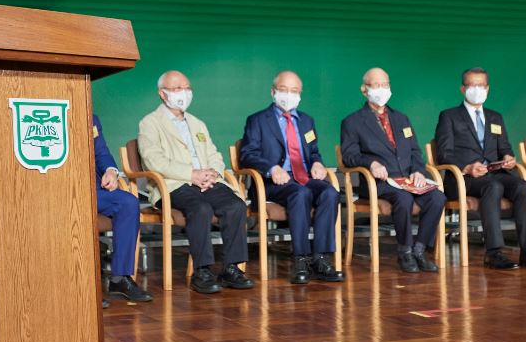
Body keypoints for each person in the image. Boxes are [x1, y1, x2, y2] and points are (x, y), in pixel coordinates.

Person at [137, 70, 255, 293]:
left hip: (206, 181)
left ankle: (232, 268)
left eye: (187, 88)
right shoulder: (150, 123)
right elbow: (154, 161)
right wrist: (191, 174)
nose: (183, 93)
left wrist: (213, 173)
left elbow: (214, 154)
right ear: (163, 93)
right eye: (177, 88)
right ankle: (202, 271)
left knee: (235, 205)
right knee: (201, 208)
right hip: (173, 184)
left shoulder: (197, 123)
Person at [238, 71, 344, 284]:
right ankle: (300, 259)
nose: (289, 95)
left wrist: (317, 163)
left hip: (303, 177)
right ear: (273, 92)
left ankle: (320, 258)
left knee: (330, 192)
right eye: (283, 90)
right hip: (273, 182)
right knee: (301, 193)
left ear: (300, 94)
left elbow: (313, 152)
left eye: (294, 91)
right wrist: (271, 168)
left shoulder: (306, 121)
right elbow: (247, 154)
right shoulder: (257, 120)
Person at [433, 68, 526, 269]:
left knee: (523, 186)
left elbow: (505, 148)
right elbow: (443, 154)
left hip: (495, 173)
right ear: (462, 89)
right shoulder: (449, 116)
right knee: (493, 186)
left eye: (481, 85)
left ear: (488, 88)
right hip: (464, 178)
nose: (477, 90)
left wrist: (508, 158)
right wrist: (467, 167)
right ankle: (494, 252)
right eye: (472, 85)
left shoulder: (495, 117)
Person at [339, 67, 446, 273]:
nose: (382, 89)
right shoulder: (352, 122)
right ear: (364, 89)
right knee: (403, 199)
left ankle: (419, 250)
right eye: (376, 85)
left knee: (437, 198)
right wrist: (371, 163)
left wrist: (418, 171)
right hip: (379, 183)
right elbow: (349, 156)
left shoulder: (401, 119)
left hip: (408, 180)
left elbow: (415, 151)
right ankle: (405, 251)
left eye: (385, 85)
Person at [92, 114, 152, 305]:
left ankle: (120, 278)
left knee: (128, 202)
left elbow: (101, 153)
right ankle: (83, 286)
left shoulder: (90, 118)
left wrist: (111, 171)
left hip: (93, 190)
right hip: (59, 191)